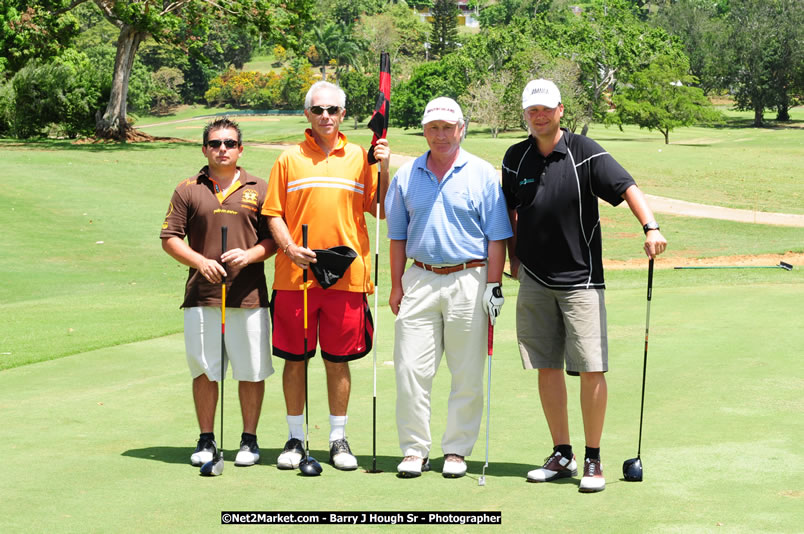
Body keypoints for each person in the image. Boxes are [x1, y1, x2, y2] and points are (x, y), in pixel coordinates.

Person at [502, 79, 668, 492]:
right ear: (525, 114)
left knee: (591, 368)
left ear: (560, 110)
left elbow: (627, 186)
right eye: (531, 110)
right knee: (545, 365)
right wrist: (512, 257)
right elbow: (507, 211)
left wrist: (651, 227)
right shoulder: (515, 157)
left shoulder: (584, 152)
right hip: (535, 280)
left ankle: (593, 460)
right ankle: (562, 454)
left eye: (545, 109)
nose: (538, 116)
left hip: (581, 280)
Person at [261, 81, 390, 471]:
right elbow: (272, 213)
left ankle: (338, 439)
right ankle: (296, 438)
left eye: (332, 110)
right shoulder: (288, 159)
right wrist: (288, 247)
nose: (326, 116)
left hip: (347, 276)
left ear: (343, 114)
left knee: (338, 360)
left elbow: (380, 207)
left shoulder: (359, 156)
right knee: (295, 359)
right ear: (307, 114)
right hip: (295, 275)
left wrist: (384, 165)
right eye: (318, 110)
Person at [385, 97, 513, 479]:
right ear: (424, 131)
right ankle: (414, 450)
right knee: (410, 370)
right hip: (419, 277)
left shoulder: (482, 173)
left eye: (447, 127)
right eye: (432, 128)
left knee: (467, 373)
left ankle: (456, 450)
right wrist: (396, 286)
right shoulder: (407, 175)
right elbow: (395, 236)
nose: (440, 135)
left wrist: (493, 285)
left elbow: (497, 237)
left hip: (469, 279)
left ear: (461, 129)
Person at [161, 117, 276, 468]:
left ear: (240, 149)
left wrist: (249, 254)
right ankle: (207, 439)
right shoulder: (187, 188)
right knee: (204, 370)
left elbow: (273, 239)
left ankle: (249, 440)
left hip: (249, 296)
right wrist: (199, 262)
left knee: (252, 370)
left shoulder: (261, 187)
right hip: (202, 295)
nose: (222, 149)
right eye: (215, 144)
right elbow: (170, 238)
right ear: (204, 149)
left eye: (229, 143)